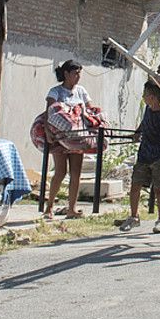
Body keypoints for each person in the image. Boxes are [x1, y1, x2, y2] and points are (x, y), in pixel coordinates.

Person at [121, 80, 160, 234]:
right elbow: (144, 123)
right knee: (135, 186)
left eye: (146, 95)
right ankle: (134, 217)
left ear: (153, 97)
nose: (143, 97)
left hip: (159, 156)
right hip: (144, 155)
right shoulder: (148, 110)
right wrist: (137, 133)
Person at [43, 59, 99, 220]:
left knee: (76, 173)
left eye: (79, 73)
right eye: (75, 73)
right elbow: (49, 112)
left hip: (77, 138)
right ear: (66, 74)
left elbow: (90, 109)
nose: (78, 77)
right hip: (60, 138)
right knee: (60, 172)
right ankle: (49, 207)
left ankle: (72, 208)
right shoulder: (55, 92)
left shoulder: (81, 91)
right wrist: (48, 132)